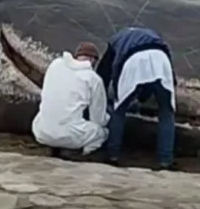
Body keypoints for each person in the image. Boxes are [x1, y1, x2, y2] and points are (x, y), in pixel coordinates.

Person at [96, 26, 177, 171]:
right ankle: (166, 160)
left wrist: (109, 96)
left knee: (119, 110)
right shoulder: (154, 35)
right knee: (166, 112)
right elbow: (165, 63)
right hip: (161, 59)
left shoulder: (115, 40)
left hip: (133, 59)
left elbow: (104, 72)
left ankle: (112, 155)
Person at [31, 42, 110, 157]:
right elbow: (98, 118)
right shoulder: (94, 79)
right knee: (101, 132)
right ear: (93, 60)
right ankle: (82, 153)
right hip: (70, 136)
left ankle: (54, 147)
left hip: (40, 132)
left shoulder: (55, 65)